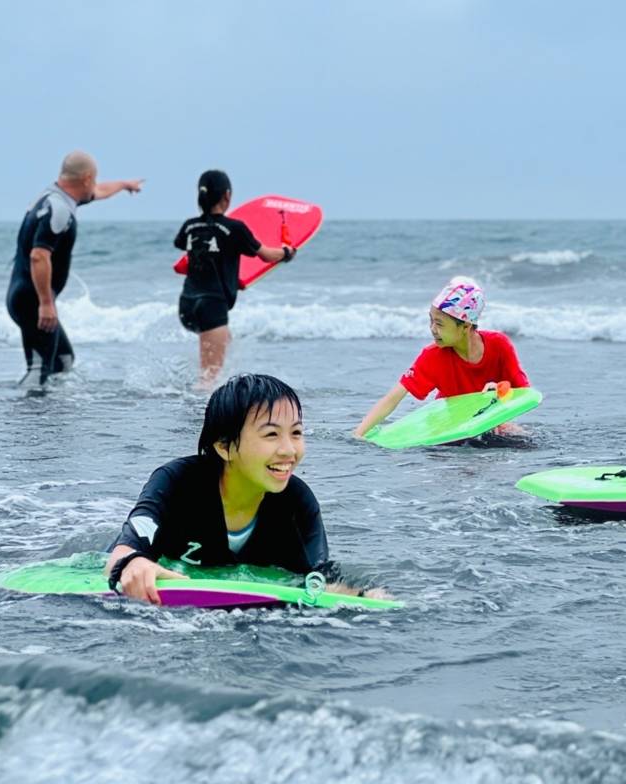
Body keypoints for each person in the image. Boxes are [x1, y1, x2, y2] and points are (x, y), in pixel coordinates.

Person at [104, 373, 385, 604]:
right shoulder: (177, 482)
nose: (289, 450)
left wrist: (365, 597)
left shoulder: (297, 502)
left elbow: (319, 577)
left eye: (296, 433)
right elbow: (124, 549)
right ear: (224, 445)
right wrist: (132, 564)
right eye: (271, 434)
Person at [6, 151, 143, 388]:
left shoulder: (57, 195)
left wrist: (123, 185)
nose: (97, 185)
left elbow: (98, 192)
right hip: (32, 301)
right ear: (88, 177)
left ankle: (52, 415)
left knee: (63, 360)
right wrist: (46, 304)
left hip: (28, 297)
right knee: (39, 370)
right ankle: (24, 421)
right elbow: (39, 256)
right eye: (95, 179)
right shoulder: (58, 210)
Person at [353, 276, 530, 437]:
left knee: (522, 439)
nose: (432, 329)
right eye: (431, 321)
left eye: (439, 324)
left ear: (465, 326)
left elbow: (524, 394)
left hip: (488, 422)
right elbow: (392, 399)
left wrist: (498, 391)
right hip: (448, 428)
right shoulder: (433, 356)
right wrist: (358, 435)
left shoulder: (499, 345)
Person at [174, 170, 295, 384]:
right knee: (209, 379)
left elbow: (197, 250)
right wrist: (287, 252)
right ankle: (200, 413)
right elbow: (267, 255)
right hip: (212, 305)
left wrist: (230, 279)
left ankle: (184, 392)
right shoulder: (235, 228)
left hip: (187, 305)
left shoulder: (189, 226)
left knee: (225, 345)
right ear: (227, 196)